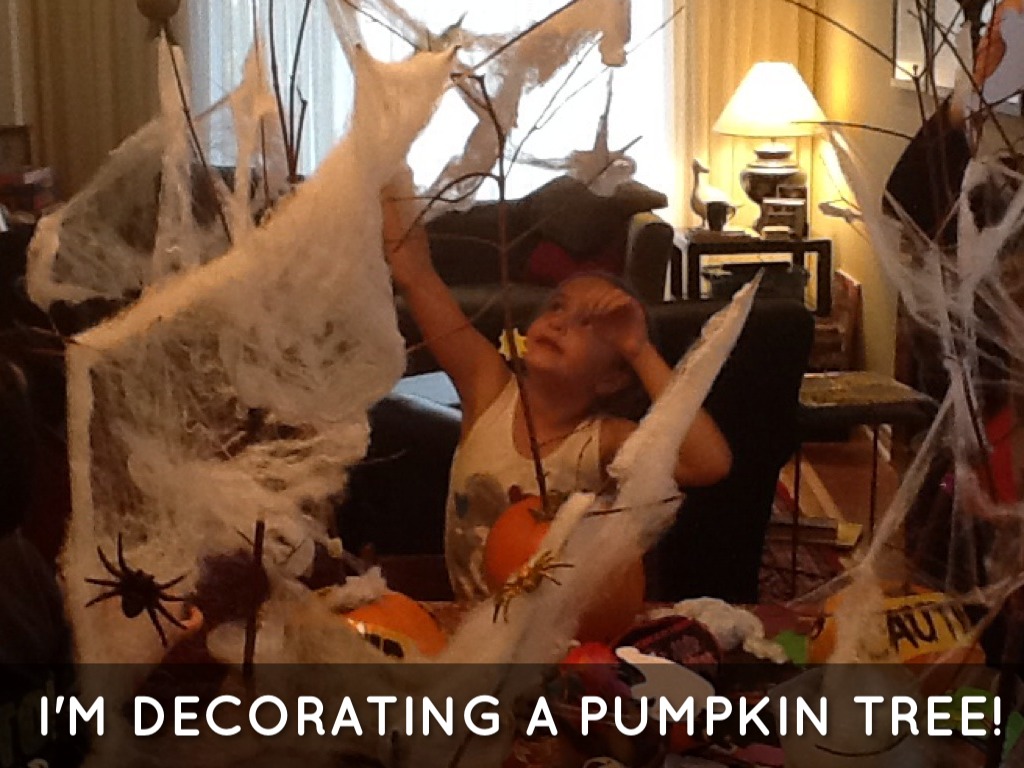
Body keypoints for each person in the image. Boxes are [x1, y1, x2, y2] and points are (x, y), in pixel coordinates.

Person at [382, 176, 732, 602]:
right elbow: (416, 275)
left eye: (588, 324)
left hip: (564, 630)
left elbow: (707, 463)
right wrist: (381, 165)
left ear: (610, 378)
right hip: (469, 623)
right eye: (557, 306)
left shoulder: (604, 442)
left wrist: (638, 349)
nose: (561, 321)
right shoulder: (488, 390)